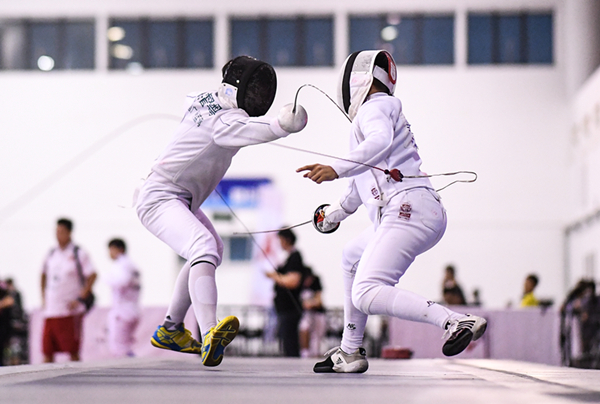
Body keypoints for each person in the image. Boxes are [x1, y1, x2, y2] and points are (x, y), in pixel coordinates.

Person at [297, 50, 487, 373]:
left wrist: (334, 168)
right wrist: (331, 215)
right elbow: (355, 193)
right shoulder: (375, 117)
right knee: (351, 256)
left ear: (359, 80)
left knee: (366, 292)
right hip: (411, 209)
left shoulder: (376, 108)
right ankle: (350, 349)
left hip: (407, 208)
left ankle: (454, 321)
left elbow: (379, 142)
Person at [135, 55, 308, 367]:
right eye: (254, 90)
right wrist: (284, 124)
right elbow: (263, 129)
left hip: (176, 197)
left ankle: (171, 329)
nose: (258, 97)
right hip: (160, 198)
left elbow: (218, 113)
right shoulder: (226, 123)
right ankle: (208, 332)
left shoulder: (203, 99)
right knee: (202, 246)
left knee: (210, 248)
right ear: (238, 88)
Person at [41, 218, 97, 362]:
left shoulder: (78, 253)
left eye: (61, 232)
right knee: (47, 351)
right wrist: (43, 298)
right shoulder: (51, 253)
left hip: (69, 311)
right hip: (51, 309)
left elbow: (92, 275)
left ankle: (77, 383)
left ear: (69, 233)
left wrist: (80, 297)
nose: (58, 235)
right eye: (57, 232)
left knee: (72, 350)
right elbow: (43, 274)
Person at [265, 229, 306, 357]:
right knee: (286, 341)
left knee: (290, 342)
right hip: (283, 309)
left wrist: (274, 276)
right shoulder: (287, 257)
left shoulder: (295, 257)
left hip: (290, 309)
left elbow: (293, 281)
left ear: (287, 240)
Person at [106, 238, 141, 357]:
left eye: (111, 250)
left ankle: (126, 372)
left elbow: (123, 281)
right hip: (132, 308)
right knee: (125, 345)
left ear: (118, 249)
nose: (109, 253)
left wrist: (108, 279)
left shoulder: (122, 264)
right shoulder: (131, 264)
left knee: (118, 347)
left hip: (122, 311)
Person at [299, 267, 327, 358]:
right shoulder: (300, 285)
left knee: (317, 336)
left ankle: (315, 353)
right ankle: (305, 352)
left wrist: (311, 304)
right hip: (307, 314)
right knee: (304, 327)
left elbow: (319, 301)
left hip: (318, 314)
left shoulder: (316, 283)